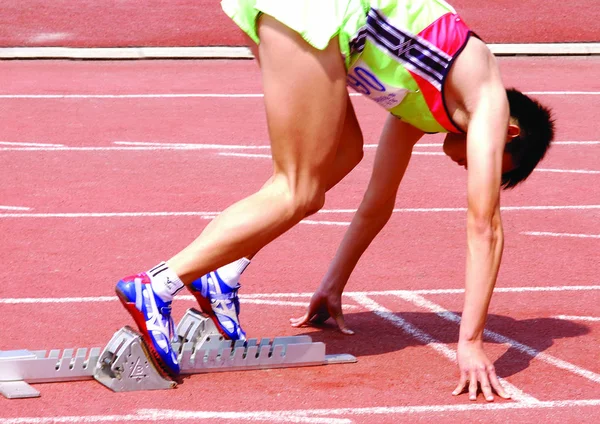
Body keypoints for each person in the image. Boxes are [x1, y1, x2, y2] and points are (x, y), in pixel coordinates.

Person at [114, 0, 554, 402]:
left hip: (312, 22)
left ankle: (219, 274)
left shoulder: (430, 104)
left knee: (341, 156)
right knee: (297, 190)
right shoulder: (487, 99)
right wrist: (471, 342)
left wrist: (333, 282)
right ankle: (157, 286)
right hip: (316, 15)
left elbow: (377, 203)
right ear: (509, 136)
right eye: (498, 168)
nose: (479, 168)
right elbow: (485, 228)